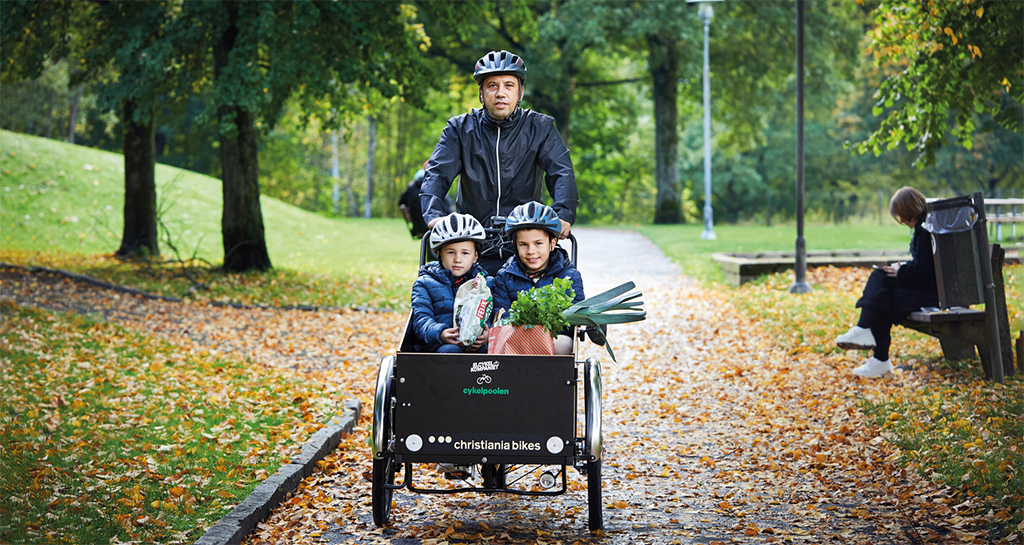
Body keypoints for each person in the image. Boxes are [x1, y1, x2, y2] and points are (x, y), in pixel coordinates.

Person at [419, 49, 579, 275]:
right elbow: (436, 174)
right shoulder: (459, 129)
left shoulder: (541, 128)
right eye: (492, 85)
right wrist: (434, 216)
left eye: (509, 85)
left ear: (520, 92)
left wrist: (563, 215)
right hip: (472, 244)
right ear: (481, 93)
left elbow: (561, 173)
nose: (500, 93)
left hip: (524, 243)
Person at [835, 187, 938, 378]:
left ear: (909, 210)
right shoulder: (926, 225)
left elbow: (927, 272)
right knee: (880, 281)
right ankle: (872, 347)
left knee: (881, 297)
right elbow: (927, 265)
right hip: (932, 290)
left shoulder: (925, 230)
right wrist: (904, 267)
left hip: (933, 295)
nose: (902, 221)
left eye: (902, 216)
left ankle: (876, 352)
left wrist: (902, 271)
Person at [491, 202, 584, 355]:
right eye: (523, 245)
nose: (531, 251)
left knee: (563, 343)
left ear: (552, 243)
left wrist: (541, 330)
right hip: (516, 341)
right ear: (515, 245)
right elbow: (501, 314)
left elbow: (571, 319)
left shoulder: (569, 276)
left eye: (538, 243)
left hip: (553, 339)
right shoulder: (504, 276)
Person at [410, 214, 490, 353]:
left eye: (465, 253)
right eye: (451, 253)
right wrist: (440, 333)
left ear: (475, 256)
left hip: (475, 344)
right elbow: (421, 320)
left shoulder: (485, 283)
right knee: (451, 351)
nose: (458, 259)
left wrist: (487, 335)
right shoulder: (425, 283)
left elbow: (492, 316)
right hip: (438, 346)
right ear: (439, 253)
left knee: (486, 352)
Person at [398, 161, 451, 239]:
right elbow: (448, 207)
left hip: (418, 228)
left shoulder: (410, 187)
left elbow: (401, 202)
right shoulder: (437, 186)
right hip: (435, 226)